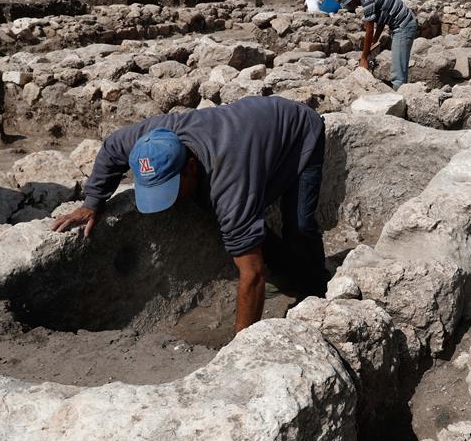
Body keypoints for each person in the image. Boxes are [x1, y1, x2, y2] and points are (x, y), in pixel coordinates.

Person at [51, 96, 329, 333]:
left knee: (299, 225)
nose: (166, 201)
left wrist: (241, 348)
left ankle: (316, 288)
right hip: (249, 134)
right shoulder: (149, 142)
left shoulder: (229, 182)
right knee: (238, 221)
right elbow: (112, 147)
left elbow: (252, 274)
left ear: (191, 166)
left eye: (170, 188)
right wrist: (92, 202)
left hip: (299, 131)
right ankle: (283, 270)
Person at [339, 0, 417, 89]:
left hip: (403, 26)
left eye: (349, 4)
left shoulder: (367, 1)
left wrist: (364, 58)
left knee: (398, 73)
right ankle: (403, 90)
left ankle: (398, 99)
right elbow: (381, 21)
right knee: (400, 66)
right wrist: (374, 41)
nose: (351, 7)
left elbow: (369, 31)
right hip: (403, 24)